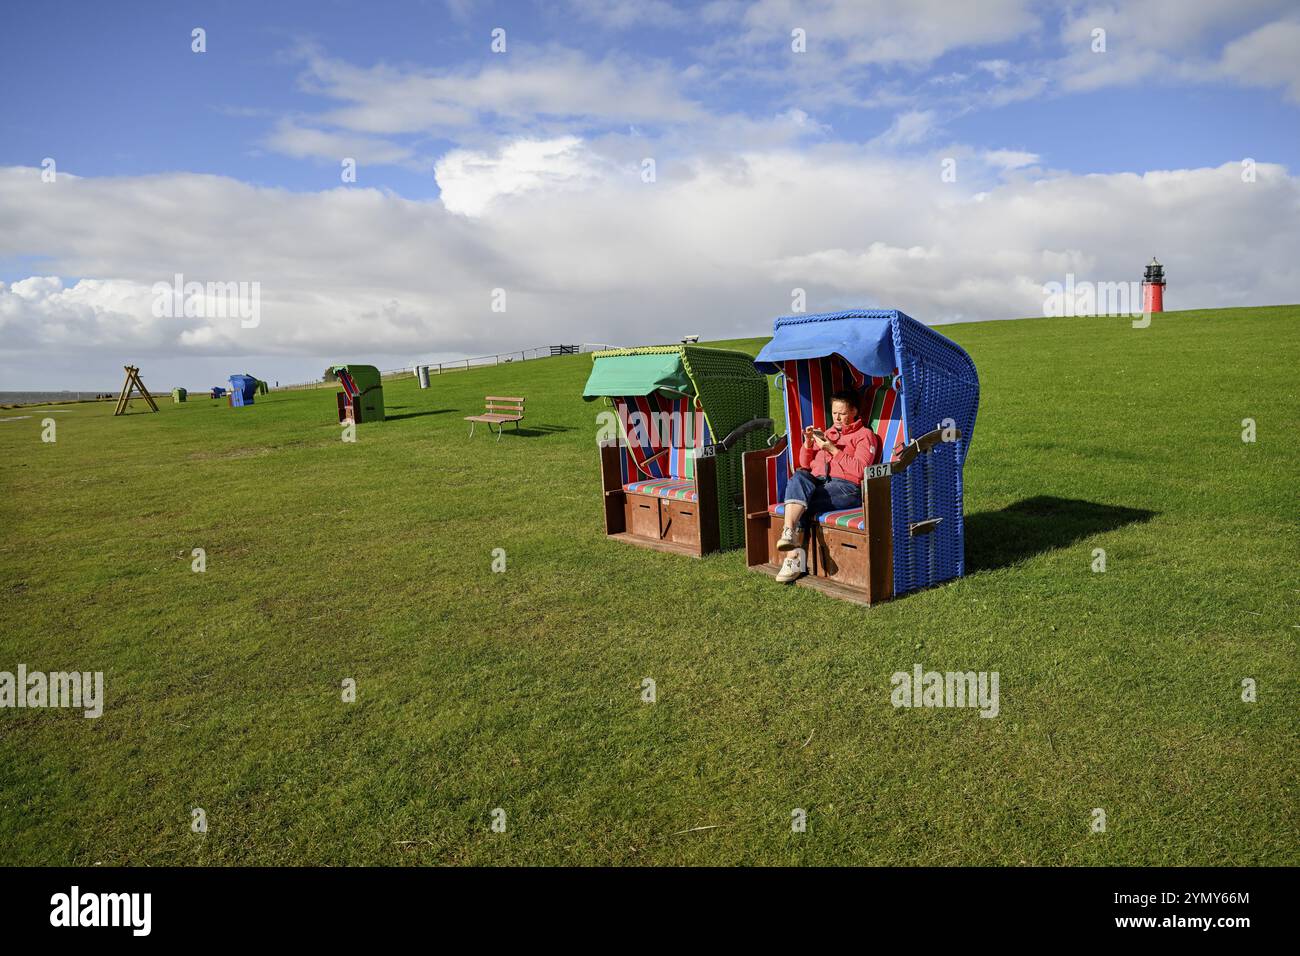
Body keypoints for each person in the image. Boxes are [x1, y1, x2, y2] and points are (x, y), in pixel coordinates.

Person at [775, 390, 881, 583]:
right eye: (834, 413)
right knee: (798, 477)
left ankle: (792, 560)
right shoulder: (827, 433)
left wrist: (832, 449)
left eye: (842, 413)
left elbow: (860, 470)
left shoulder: (865, 436)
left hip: (847, 487)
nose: (838, 418)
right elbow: (805, 465)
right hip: (819, 482)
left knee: (803, 503)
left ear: (854, 411)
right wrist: (808, 444)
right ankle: (788, 530)